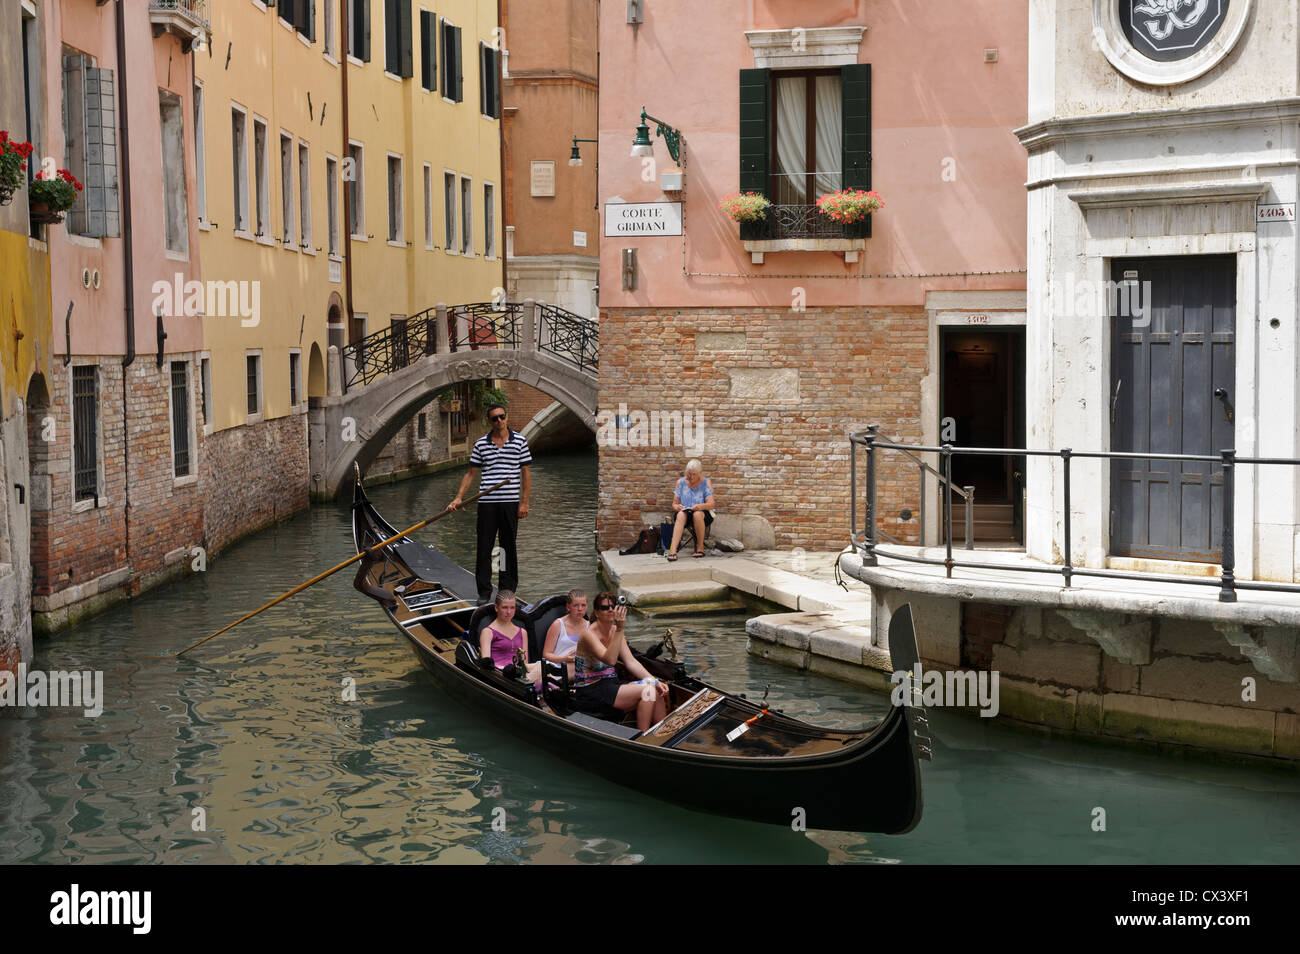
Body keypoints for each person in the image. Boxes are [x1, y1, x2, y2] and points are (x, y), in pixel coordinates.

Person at [449, 403, 532, 603]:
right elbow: (471, 474)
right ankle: (484, 592)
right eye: (494, 418)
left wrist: (525, 503)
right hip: (487, 503)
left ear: (507, 417)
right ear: (489, 421)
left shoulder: (520, 441)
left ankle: (506, 589)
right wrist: (458, 497)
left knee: (506, 548)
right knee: (485, 547)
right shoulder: (481, 444)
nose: (499, 421)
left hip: (510, 503)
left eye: (501, 417)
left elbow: (526, 474)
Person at [573, 592, 668, 731]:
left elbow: (631, 662)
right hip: (591, 689)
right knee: (647, 692)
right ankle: (642, 738)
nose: (611, 610)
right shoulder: (589, 635)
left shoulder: (614, 630)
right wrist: (620, 628)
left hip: (611, 683)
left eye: (613, 606)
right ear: (597, 612)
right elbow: (610, 660)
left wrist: (655, 680)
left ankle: (662, 733)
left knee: (656, 688)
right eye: (605, 608)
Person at [478, 590, 541, 686]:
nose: (509, 612)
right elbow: (486, 664)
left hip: (520, 674)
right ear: (496, 608)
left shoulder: (522, 632)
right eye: (504, 608)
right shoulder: (488, 632)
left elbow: (525, 663)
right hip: (500, 675)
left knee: (543, 666)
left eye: (512, 608)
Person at [666, 458, 715, 561]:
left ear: (700, 473)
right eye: (689, 474)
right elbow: (674, 504)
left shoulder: (706, 482)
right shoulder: (681, 482)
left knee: (697, 514)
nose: (691, 477)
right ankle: (673, 550)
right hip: (685, 513)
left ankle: (700, 548)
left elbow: (711, 504)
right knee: (680, 514)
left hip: (703, 513)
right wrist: (677, 507)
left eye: (694, 474)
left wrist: (700, 506)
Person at [543, 589, 589, 680]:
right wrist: (564, 658)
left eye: (583, 605)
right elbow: (546, 654)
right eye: (576, 605)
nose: (580, 609)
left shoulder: (590, 626)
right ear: (568, 607)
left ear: (587, 607)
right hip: (557, 666)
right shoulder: (558, 625)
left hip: (580, 667)